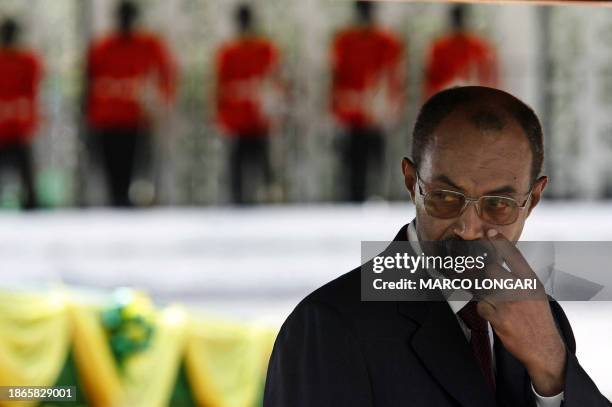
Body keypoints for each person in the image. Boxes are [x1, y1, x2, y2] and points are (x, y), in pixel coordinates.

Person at [264, 87, 611, 406]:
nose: (469, 229)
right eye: (446, 198)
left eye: (498, 204)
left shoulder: (544, 322)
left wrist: (553, 369)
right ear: (412, 182)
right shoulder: (330, 327)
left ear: (532, 199)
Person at [85, 0, 175, 207]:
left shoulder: (150, 45)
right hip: (107, 119)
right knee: (114, 175)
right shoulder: (102, 48)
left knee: (141, 172)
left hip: (138, 119)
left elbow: (168, 75)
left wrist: (159, 100)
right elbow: (91, 85)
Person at [330, 1, 404, 202]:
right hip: (352, 111)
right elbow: (337, 76)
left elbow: (393, 75)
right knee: (353, 162)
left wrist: (391, 105)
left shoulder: (386, 41)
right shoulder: (345, 41)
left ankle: (377, 197)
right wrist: (338, 106)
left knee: (376, 160)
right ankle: (353, 199)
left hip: (376, 111)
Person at [215, 4, 280, 205]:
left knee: (265, 166)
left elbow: (275, 79)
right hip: (237, 120)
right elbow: (221, 88)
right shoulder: (228, 52)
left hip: (259, 119)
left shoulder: (266, 49)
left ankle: (269, 200)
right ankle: (237, 203)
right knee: (236, 168)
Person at [0, 18, 42, 209]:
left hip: (18, 127)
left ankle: (31, 205)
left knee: (27, 173)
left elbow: (31, 93)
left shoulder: (28, 61)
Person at [424, 5, 498, 99]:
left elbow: (488, 76)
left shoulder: (479, 46)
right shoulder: (439, 47)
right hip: (446, 96)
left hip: (473, 95)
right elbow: (432, 78)